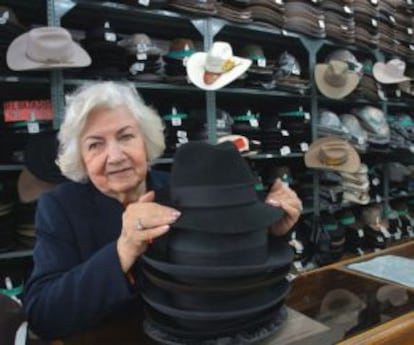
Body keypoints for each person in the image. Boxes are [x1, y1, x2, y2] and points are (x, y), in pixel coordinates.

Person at [24, 81, 303, 341]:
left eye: (126, 137)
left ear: (145, 142)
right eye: (95, 144)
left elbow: (226, 267)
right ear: (82, 159)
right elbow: (43, 315)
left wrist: (269, 233)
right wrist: (123, 251)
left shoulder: (182, 189)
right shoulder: (61, 208)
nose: (116, 156)